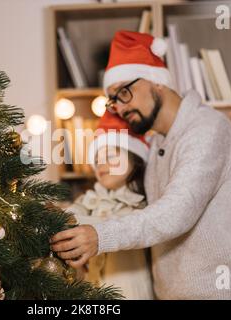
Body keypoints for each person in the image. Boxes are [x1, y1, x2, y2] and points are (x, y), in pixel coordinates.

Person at [51, 30, 231, 299]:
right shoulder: (156, 146)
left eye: (124, 92)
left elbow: (176, 212)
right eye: (113, 100)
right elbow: (125, 209)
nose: (120, 108)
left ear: (157, 81)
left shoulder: (206, 129)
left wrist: (100, 237)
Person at [67, 111, 153, 299]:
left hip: (130, 289)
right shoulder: (91, 198)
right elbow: (72, 213)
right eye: (97, 160)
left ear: (135, 160)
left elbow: (120, 225)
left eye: (111, 157)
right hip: (95, 289)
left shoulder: (140, 203)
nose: (101, 165)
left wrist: (78, 221)